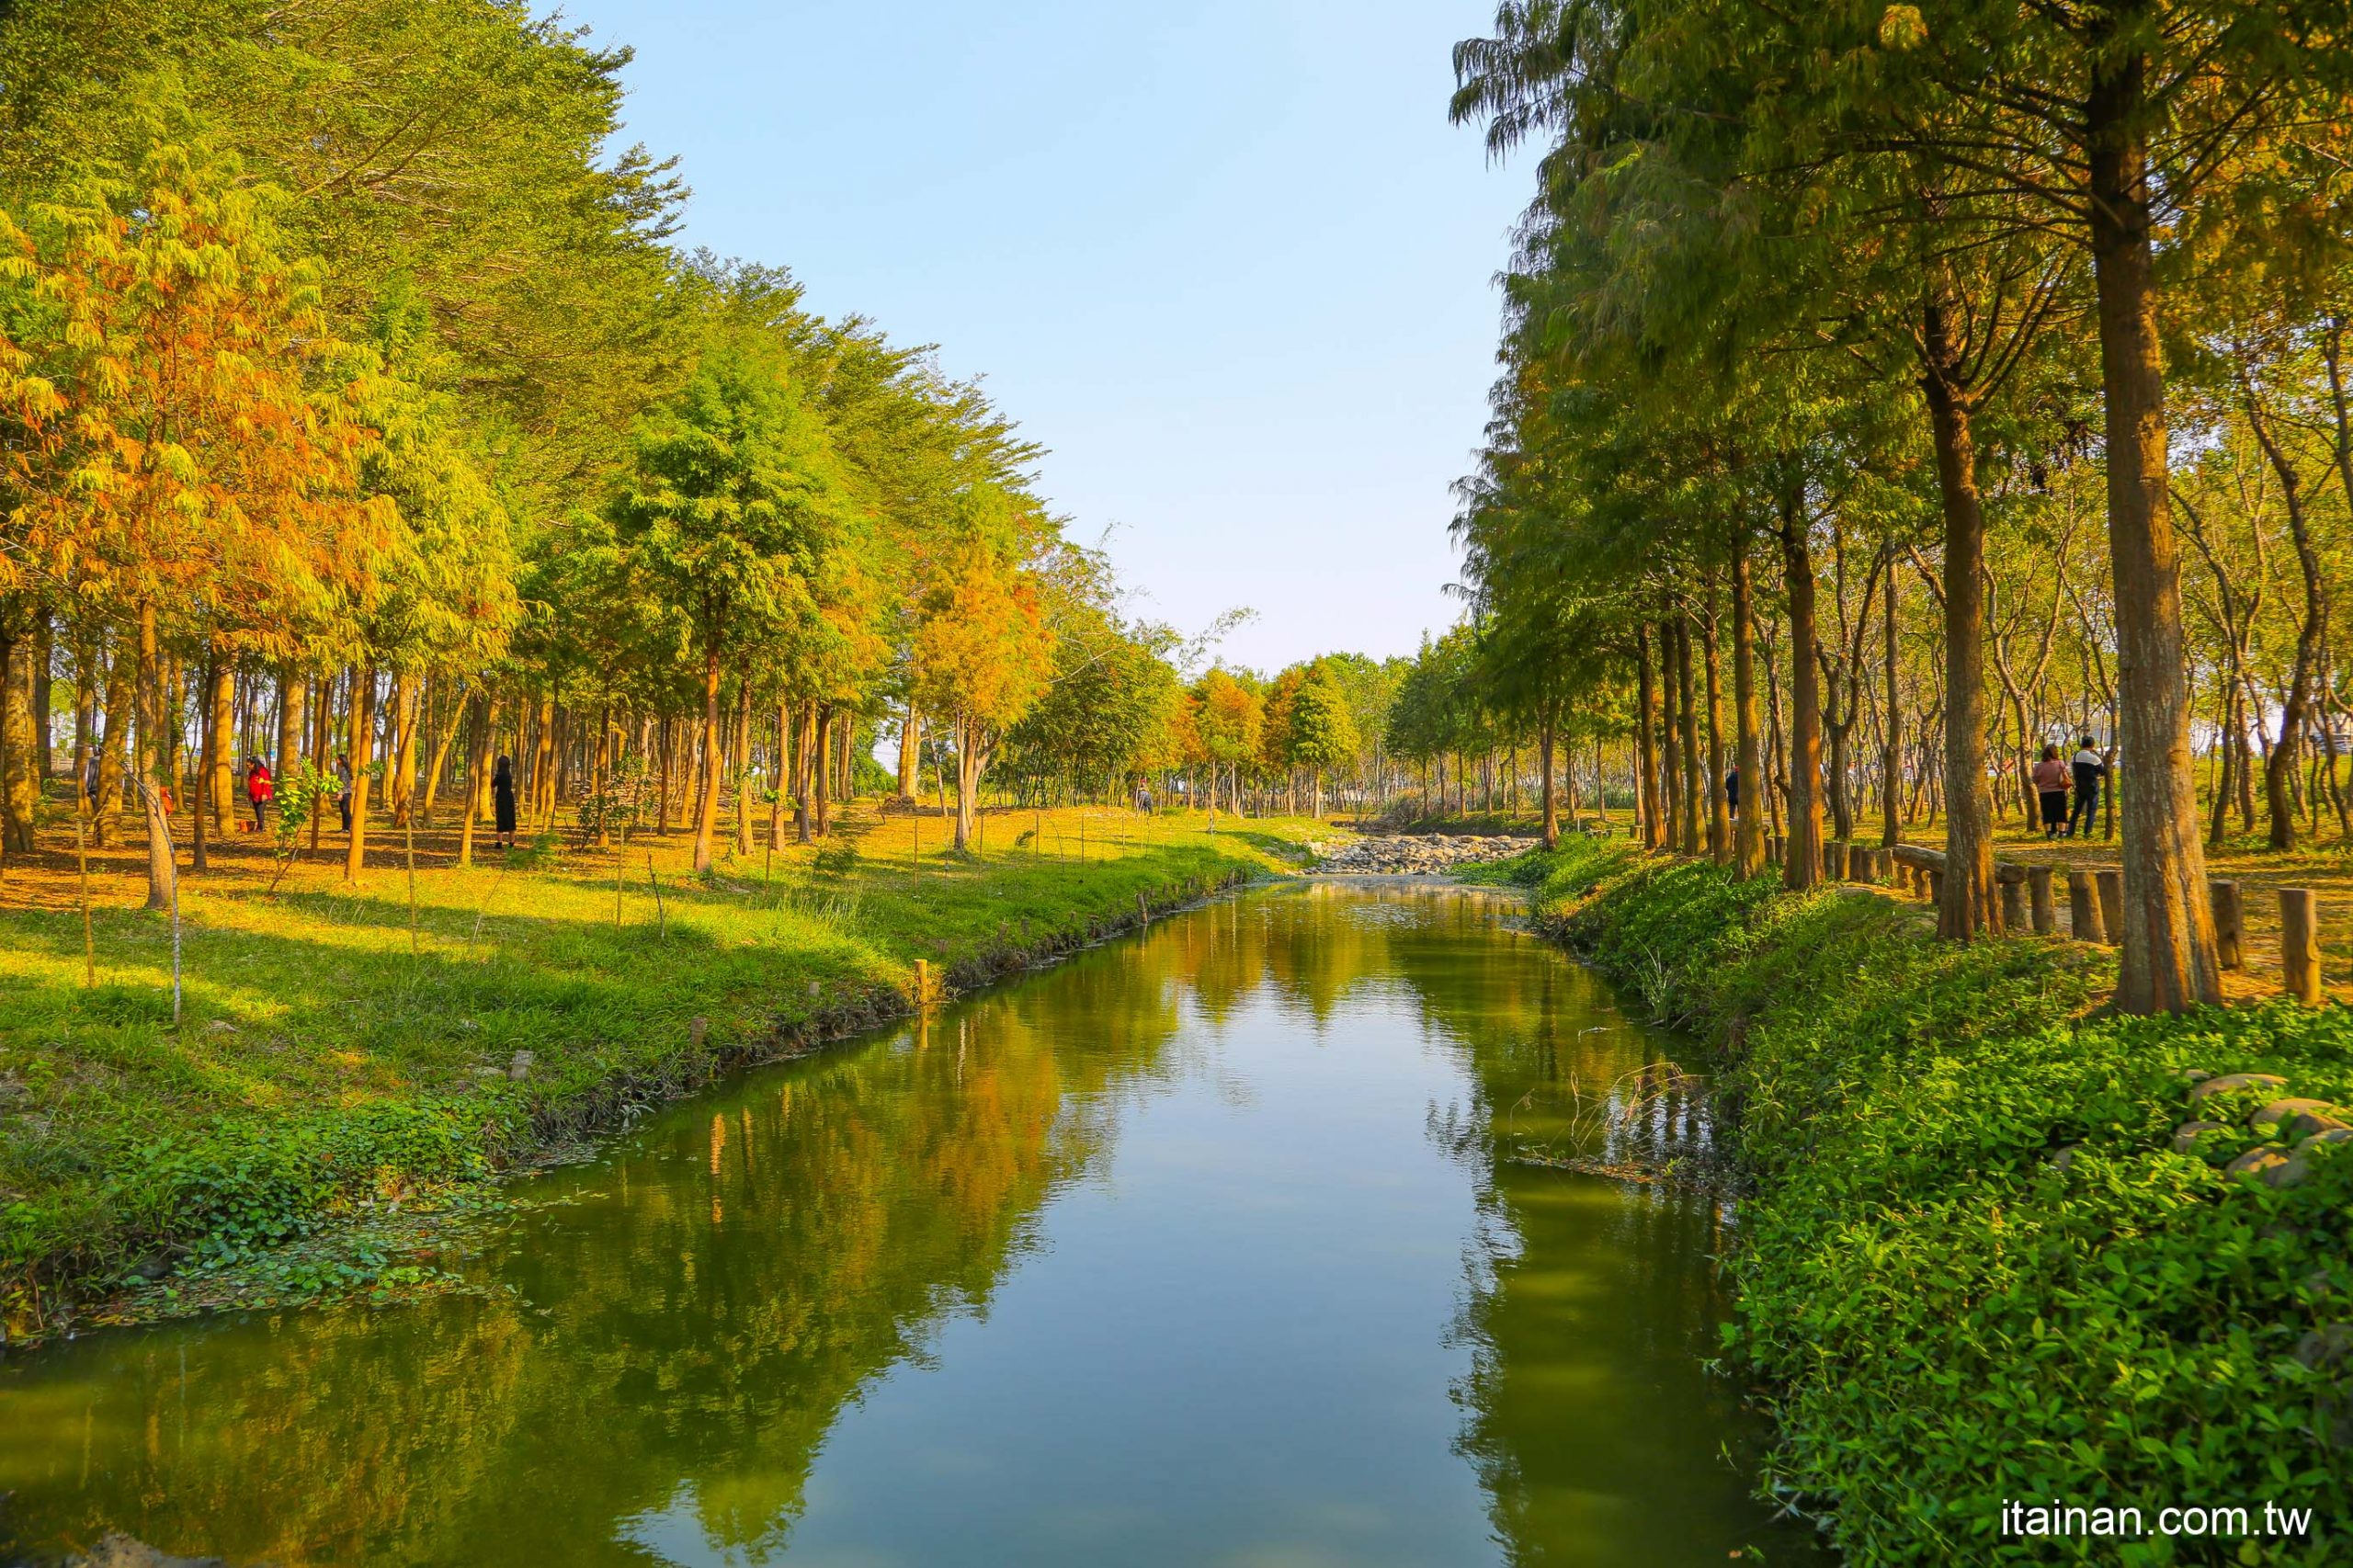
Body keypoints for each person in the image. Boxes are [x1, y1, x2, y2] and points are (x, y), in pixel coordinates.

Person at [2068, 735, 2106, 840]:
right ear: (2092, 745)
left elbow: (2073, 770)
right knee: (2091, 810)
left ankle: (2070, 832)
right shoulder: (2094, 758)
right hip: (2092, 786)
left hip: (2079, 786)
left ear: (2081, 744)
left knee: (2076, 810)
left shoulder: (2074, 756)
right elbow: (2102, 772)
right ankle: (2087, 832)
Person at [2030, 744, 2070, 840]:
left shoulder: (2039, 766)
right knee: (2060, 812)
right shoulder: (2060, 763)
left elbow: (2034, 779)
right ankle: (2062, 832)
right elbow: (2066, 775)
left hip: (2044, 792)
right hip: (2059, 791)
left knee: (2047, 812)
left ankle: (2049, 833)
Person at [493, 754, 517, 849]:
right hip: (509, 797)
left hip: (501, 798)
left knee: (500, 818)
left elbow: (493, 784)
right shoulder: (509, 775)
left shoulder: (499, 775)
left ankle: (499, 842)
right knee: (511, 819)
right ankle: (512, 842)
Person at [245, 756, 273, 833]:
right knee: (257, 811)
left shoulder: (263, 771)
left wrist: (264, 793)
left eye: (249, 765)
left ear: (253, 764)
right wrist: (249, 794)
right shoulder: (252, 773)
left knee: (260, 811)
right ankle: (260, 826)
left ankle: (261, 827)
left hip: (262, 795)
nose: (248, 767)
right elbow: (251, 784)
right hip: (254, 795)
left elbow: (267, 783)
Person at [335, 755, 353, 834]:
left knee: (345, 811)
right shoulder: (343, 769)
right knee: (344, 811)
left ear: (341, 760)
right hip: (346, 792)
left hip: (345, 793)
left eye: (337, 759)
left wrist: (340, 793)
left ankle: (347, 828)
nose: (336, 760)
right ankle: (345, 828)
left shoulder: (344, 770)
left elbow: (343, 783)